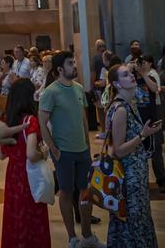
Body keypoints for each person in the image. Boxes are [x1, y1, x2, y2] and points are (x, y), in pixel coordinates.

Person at [38, 51, 100, 248]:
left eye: (74, 62)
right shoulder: (51, 92)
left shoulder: (79, 88)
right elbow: (42, 122)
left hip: (82, 149)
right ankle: (72, 238)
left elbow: (82, 117)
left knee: (86, 191)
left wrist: (88, 142)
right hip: (63, 151)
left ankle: (88, 236)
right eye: (70, 63)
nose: (75, 66)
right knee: (66, 191)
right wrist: (54, 149)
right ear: (59, 69)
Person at [104, 63, 162, 247]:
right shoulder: (121, 109)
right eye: (125, 75)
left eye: (130, 73)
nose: (131, 76)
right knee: (133, 220)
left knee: (139, 218)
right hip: (128, 176)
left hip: (136, 172)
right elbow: (118, 150)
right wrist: (142, 135)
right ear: (117, 84)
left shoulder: (131, 104)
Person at [0, 78, 51, 248]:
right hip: (29, 174)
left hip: (12, 173)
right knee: (31, 215)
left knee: (14, 214)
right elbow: (30, 154)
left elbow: (1, 154)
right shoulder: (30, 121)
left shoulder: (6, 119)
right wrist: (43, 153)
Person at [133, 55, 165, 194]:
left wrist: (143, 74)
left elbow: (155, 89)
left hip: (152, 120)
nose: (140, 65)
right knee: (139, 153)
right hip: (137, 121)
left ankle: (161, 181)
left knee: (156, 151)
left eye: (142, 63)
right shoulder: (131, 80)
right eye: (138, 64)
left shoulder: (151, 78)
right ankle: (141, 181)